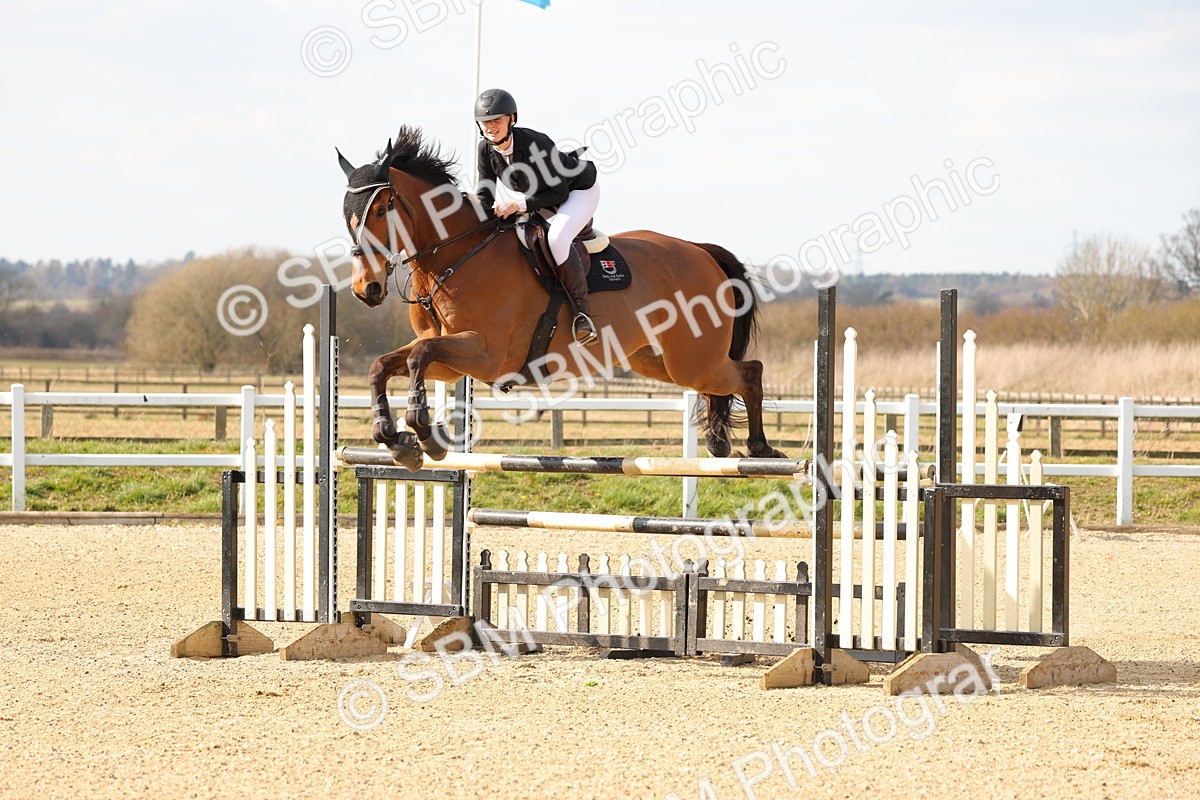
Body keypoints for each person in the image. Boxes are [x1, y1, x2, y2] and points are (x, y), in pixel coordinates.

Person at [474, 88, 599, 346]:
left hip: (577, 190)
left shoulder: (536, 144)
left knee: (556, 237)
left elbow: (559, 192)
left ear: (511, 119)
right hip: (543, 195)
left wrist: (518, 204)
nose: (491, 126)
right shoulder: (485, 149)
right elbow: (486, 193)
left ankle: (582, 314)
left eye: (497, 120)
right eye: (486, 122)